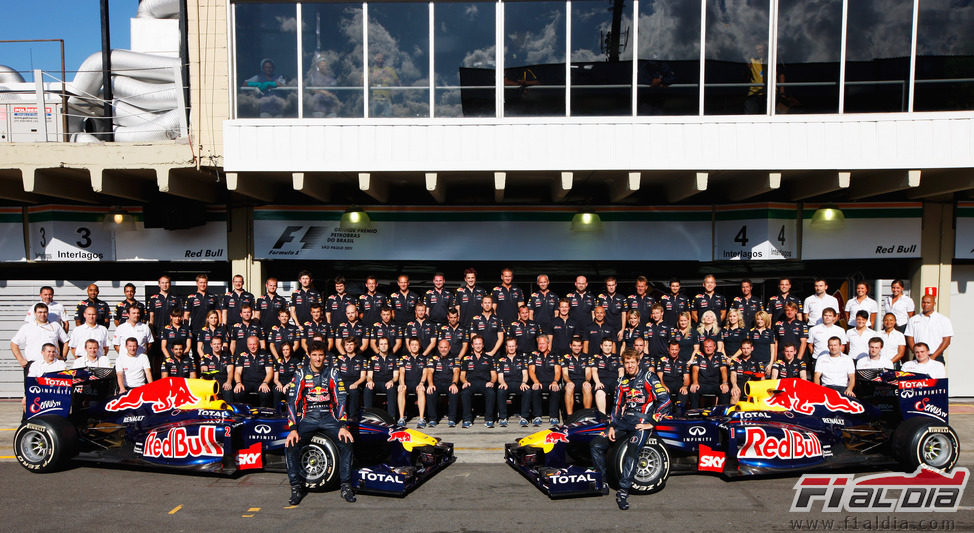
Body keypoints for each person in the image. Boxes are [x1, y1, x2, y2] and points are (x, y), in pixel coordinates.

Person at [590, 348, 671, 511]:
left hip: (642, 422)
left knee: (632, 452)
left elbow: (665, 401)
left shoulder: (649, 377)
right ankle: (603, 480)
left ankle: (623, 491)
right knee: (596, 444)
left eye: (632, 362)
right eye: (626, 363)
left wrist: (653, 422)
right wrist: (612, 425)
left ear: (638, 362)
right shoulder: (621, 381)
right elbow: (617, 406)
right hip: (624, 421)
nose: (629, 366)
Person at [284, 341, 355, 506]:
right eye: (314, 355)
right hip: (307, 419)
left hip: (328, 419)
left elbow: (341, 398)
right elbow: (292, 402)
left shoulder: (332, 372)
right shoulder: (300, 374)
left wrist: (343, 426)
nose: (318, 358)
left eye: (321, 355)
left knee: (347, 442)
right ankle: (296, 487)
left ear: (325, 356)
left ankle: (345, 485)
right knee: (290, 444)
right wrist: (293, 428)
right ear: (309, 355)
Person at [11, 303, 70, 367]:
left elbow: (66, 341)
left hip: (53, 364)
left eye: (45, 312)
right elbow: (14, 344)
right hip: (33, 364)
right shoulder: (27, 327)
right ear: (34, 313)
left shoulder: (55, 326)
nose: (42, 314)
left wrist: (63, 357)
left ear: (48, 313)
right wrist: (20, 359)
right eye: (40, 312)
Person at [459, 335, 497, 428]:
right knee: (464, 393)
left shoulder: (489, 358)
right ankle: (467, 420)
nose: (478, 346)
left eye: (480, 344)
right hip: (471, 383)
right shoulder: (466, 359)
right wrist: (464, 382)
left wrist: (492, 382)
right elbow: (462, 375)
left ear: (483, 345)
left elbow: (494, 375)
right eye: (476, 344)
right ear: (472, 345)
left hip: (485, 383)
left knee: (491, 393)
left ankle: (489, 419)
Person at [495, 337, 531, 427]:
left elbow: (525, 374)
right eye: (509, 346)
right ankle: (503, 418)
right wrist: (502, 383)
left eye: (513, 346)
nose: (511, 348)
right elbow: (500, 376)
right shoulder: (501, 360)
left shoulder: (522, 359)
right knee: (500, 390)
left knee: (527, 391)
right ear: (506, 347)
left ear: (516, 347)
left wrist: (524, 382)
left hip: (519, 383)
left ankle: (524, 417)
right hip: (507, 383)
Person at [905, 294, 953, 361]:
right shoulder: (913, 320)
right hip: (918, 357)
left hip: (936, 357)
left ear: (934, 303)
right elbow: (910, 338)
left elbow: (946, 341)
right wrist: (917, 353)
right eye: (923, 302)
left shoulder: (943, 320)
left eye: (928, 303)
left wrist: (933, 356)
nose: (925, 305)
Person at [425, 339, 460, 427]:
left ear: (449, 348)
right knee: (430, 392)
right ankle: (432, 419)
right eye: (441, 347)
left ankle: (452, 419)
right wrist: (430, 384)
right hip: (437, 383)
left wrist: (454, 383)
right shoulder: (433, 358)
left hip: (449, 383)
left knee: (454, 391)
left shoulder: (455, 358)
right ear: (438, 348)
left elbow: (456, 372)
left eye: (445, 347)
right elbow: (429, 372)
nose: (443, 349)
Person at [528, 335, 562, 426]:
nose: (541, 346)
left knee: (555, 389)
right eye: (539, 344)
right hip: (539, 382)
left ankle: (553, 416)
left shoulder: (555, 355)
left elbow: (558, 371)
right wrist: (535, 381)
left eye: (543, 343)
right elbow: (531, 371)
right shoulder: (533, 355)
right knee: (535, 389)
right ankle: (537, 416)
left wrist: (555, 381)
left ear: (548, 343)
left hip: (551, 382)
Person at [233, 336, 273, 407]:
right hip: (246, 383)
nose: (252, 347)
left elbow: (270, 372)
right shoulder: (242, 356)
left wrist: (265, 383)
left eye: (254, 344)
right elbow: (237, 372)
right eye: (250, 344)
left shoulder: (266, 355)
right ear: (247, 345)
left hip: (261, 382)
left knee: (265, 393)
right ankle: (243, 413)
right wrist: (238, 383)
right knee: (238, 392)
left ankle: (263, 414)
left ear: (258, 344)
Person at [689, 338, 730, 408]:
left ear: (714, 347)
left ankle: (721, 414)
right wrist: (695, 382)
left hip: (716, 384)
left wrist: (724, 383)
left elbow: (723, 370)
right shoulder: (699, 355)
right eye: (706, 347)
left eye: (710, 346)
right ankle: (694, 414)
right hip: (702, 384)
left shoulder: (720, 355)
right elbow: (695, 370)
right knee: (693, 390)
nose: (708, 349)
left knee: (725, 390)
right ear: (703, 347)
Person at [364, 337, 399, 418]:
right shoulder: (372, 359)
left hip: (388, 383)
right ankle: (368, 417)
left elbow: (396, 376)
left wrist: (392, 381)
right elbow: (369, 376)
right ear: (378, 347)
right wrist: (369, 381)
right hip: (376, 383)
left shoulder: (394, 358)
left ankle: (391, 418)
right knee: (367, 388)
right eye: (381, 344)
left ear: (389, 346)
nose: (383, 346)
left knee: (392, 388)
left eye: (385, 344)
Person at [396, 337, 428, 426]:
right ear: (409, 346)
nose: (414, 347)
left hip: (419, 383)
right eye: (412, 345)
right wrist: (402, 383)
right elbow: (401, 372)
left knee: (421, 390)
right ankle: (401, 418)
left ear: (419, 346)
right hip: (407, 383)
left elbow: (425, 373)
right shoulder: (403, 358)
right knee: (401, 389)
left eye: (416, 345)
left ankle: (421, 419)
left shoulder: (424, 358)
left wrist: (421, 383)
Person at [334, 337, 367, 420]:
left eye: (351, 344)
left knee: (353, 392)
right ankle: (340, 416)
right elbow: (336, 375)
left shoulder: (362, 359)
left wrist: (356, 384)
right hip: (341, 383)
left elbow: (363, 377)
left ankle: (353, 417)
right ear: (344, 347)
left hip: (355, 383)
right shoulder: (339, 359)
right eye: (347, 345)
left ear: (355, 346)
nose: (349, 347)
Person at [590, 337, 624, 415]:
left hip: (614, 381)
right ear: (601, 346)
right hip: (602, 381)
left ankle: (619, 416)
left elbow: (621, 371)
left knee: (622, 392)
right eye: (605, 345)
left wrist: (620, 383)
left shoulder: (618, 358)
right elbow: (594, 371)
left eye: (610, 345)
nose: (608, 348)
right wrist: (597, 382)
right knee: (599, 392)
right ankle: (603, 417)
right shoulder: (596, 357)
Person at [561, 336, 592, 417]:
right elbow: (565, 374)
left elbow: (588, 373)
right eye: (574, 345)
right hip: (571, 380)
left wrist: (587, 381)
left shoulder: (587, 357)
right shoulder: (565, 357)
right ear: (570, 346)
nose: (577, 348)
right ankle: (569, 416)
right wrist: (568, 381)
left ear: (581, 346)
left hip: (583, 380)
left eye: (578, 346)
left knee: (587, 386)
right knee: (569, 387)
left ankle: (587, 415)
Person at [656, 341, 689, 416]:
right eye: (672, 349)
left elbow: (687, 378)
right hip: (666, 383)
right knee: (663, 392)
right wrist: (663, 385)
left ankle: (679, 415)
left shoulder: (683, 360)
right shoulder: (662, 360)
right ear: (668, 349)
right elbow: (659, 376)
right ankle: (665, 415)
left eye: (676, 350)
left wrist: (685, 386)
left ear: (679, 350)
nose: (674, 352)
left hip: (679, 383)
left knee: (684, 392)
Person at [304, 52, 341, 117]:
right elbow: (309, 89)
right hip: (318, 107)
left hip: (330, 107)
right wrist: (322, 91)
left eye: (325, 65)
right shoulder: (313, 76)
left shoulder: (331, 78)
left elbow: (334, 92)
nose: (323, 66)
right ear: (318, 65)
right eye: (321, 64)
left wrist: (328, 94)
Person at [147, 274, 181, 341]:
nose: (165, 285)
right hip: (157, 332)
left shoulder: (176, 298)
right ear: (159, 284)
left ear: (170, 284)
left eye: (167, 283)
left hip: (171, 332)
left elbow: (179, 316)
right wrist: (152, 333)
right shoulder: (153, 299)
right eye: (162, 283)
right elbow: (151, 318)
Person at [200, 336, 234, 402]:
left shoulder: (228, 356)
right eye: (214, 344)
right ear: (211, 345)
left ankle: (229, 411)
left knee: (228, 392)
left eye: (218, 344)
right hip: (211, 383)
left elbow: (230, 371)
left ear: (221, 345)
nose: (216, 346)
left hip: (224, 382)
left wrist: (228, 382)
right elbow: (204, 372)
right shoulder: (205, 357)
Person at [527, 274, 559, 338]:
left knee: (550, 346)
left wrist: (555, 325)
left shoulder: (554, 296)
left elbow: (556, 313)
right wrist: (532, 326)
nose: (543, 284)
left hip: (550, 327)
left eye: (544, 282)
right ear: (538, 283)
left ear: (548, 282)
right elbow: (530, 313)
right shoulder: (533, 296)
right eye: (541, 282)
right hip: (537, 327)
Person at [273, 343, 302, 409]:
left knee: (289, 392)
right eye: (283, 350)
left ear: (290, 350)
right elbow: (275, 378)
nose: (285, 351)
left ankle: (290, 412)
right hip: (280, 383)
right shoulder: (278, 361)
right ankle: (276, 412)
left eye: (287, 349)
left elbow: (297, 377)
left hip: (291, 384)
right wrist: (279, 384)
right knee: (277, 391)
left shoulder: (296, 361)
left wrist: (288, 385)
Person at [369, 52, 399, 117]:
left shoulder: (389, 70)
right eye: (378, 59)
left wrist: (388, 77)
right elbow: (362, 83)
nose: (380, 61)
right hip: (374, 100)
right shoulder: (370, 70)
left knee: (388, 122)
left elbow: (397, 83)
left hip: (386, 100)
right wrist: (372, 77)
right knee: (372, 122)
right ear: (375, 60)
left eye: (382, 59)